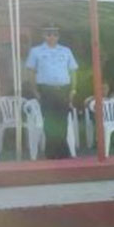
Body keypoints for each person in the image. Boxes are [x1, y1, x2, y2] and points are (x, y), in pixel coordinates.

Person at [24, 23, 78, 159]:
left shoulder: (66, 51)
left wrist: (73, 89)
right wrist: (35, 90)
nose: (52, 37)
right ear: (43, 35)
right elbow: (30, 72)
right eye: (48, 34)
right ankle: (51, 152)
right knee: (49, 121)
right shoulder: (36, 51)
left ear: (58, 36)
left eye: (54, 34)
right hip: (46, 89)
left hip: (63, 89)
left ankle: (63, 151)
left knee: (62, 120)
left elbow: (73, 71)